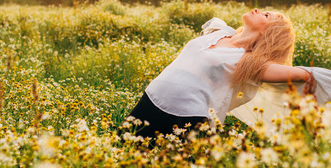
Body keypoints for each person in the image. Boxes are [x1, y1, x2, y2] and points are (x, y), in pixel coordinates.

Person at [121, 8, 320, 139]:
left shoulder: (247, 62)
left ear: (269, 34)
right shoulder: (220, 31)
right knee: (122, 155)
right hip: (151, 100)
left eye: (267, 16)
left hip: (187, 118)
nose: (259, 10)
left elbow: (298, 74)